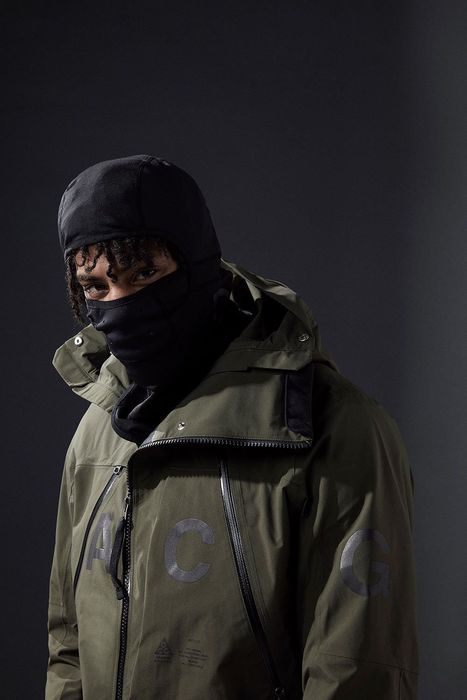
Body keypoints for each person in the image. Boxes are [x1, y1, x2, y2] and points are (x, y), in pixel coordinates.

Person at [46, 155, 419, 699]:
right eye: (96, 287)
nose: (122, 305)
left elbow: (359, 667)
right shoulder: (98, 431)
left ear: (200, 266)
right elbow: (69, 645)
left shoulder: (333, 426)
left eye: (144, 274)